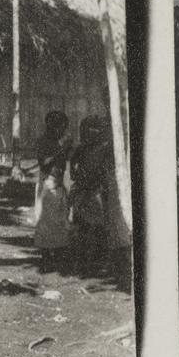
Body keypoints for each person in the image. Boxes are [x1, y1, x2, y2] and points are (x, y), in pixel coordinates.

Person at [69, 115, 111, 276]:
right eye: (85, 132)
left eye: (92, 131)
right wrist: (75, 173)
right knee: (82, 227)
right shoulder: (81, 148)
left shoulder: (104, 149)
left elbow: (104, 171)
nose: (88, 135)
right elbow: (72, 163)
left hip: (96, 191)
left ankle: (98, 262)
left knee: (99, 228)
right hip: (82, 191)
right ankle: (82, 262)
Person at [33, 110, 73, 273]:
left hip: (58, 184)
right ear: (53, 127)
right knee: (47, 223)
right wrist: (62, 150)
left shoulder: (57, 142)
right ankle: (46, 259)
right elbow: (44, 163)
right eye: (61, 127)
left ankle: (56, 257)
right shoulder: (44, 142)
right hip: (48, 184)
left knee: (59, 223)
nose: (63, 131)